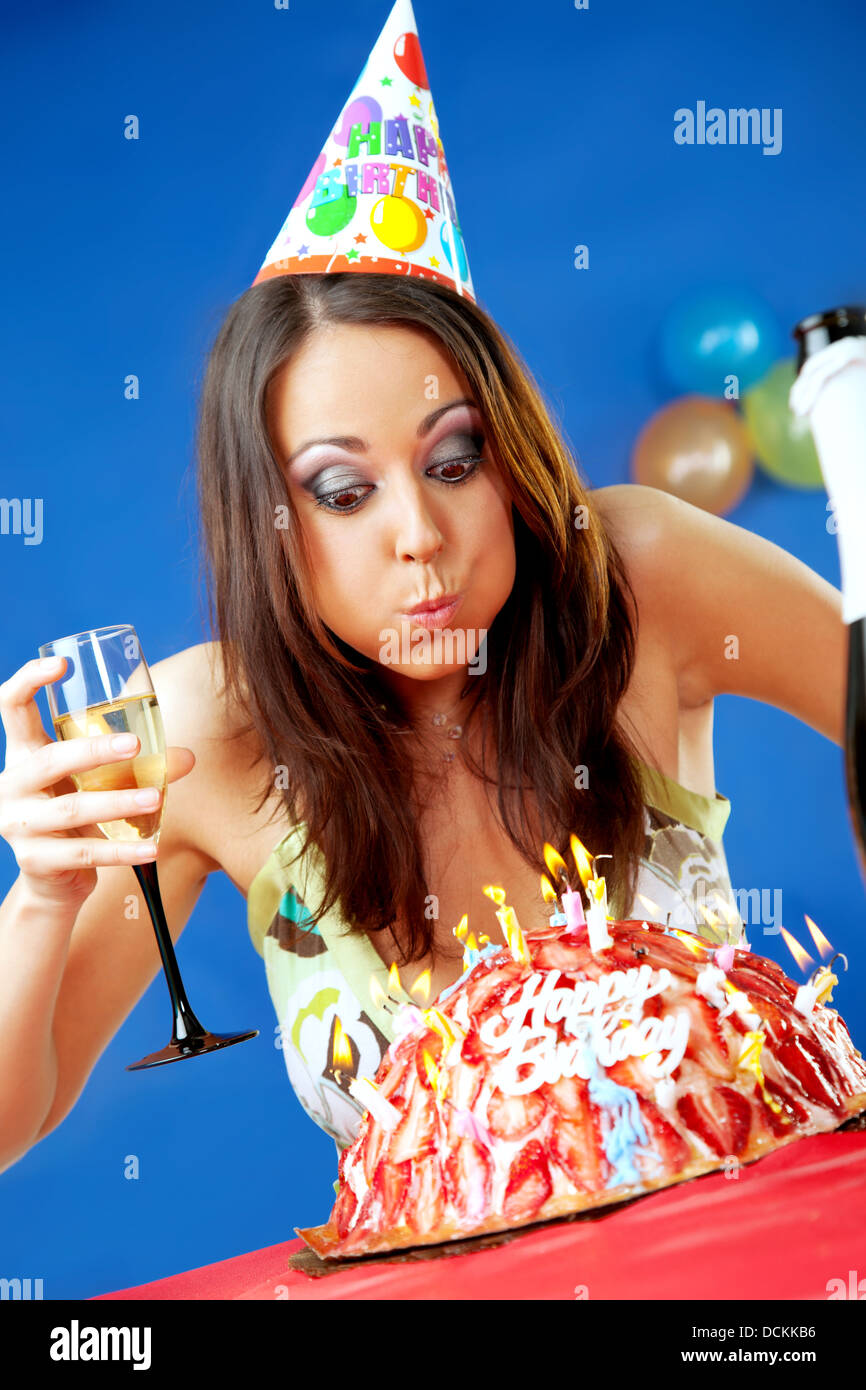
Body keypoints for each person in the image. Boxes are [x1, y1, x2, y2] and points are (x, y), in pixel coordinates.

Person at [0, 269, 847, 1178]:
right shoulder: (203, 732)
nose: (419, 533)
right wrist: (43, 900)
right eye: (341, 490)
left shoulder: (637, 579)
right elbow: (18, 1115)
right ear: (267, 520)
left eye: (454, 463)